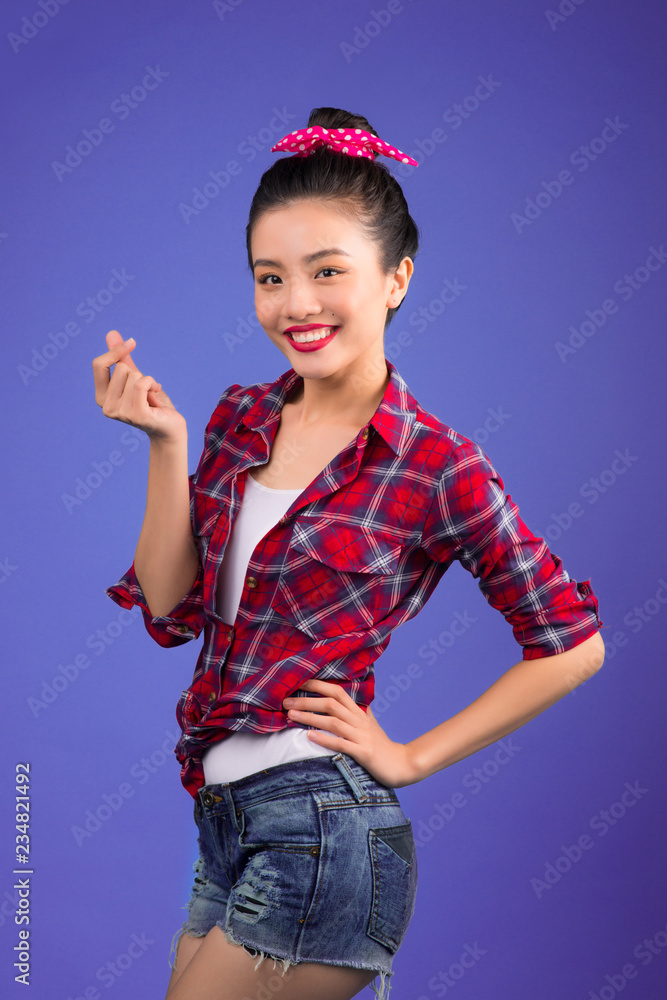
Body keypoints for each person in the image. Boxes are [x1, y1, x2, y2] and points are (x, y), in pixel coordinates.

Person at [92, 107, 605, 1000]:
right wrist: (165, 443)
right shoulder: (239, 417)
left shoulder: (435, 464)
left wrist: (408, 757)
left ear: (397, 278)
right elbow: (173, 613)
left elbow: (572, 641)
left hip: (320, 831)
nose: (296, 304)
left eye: (328, 271)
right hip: (225, 823)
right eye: (270, 277)